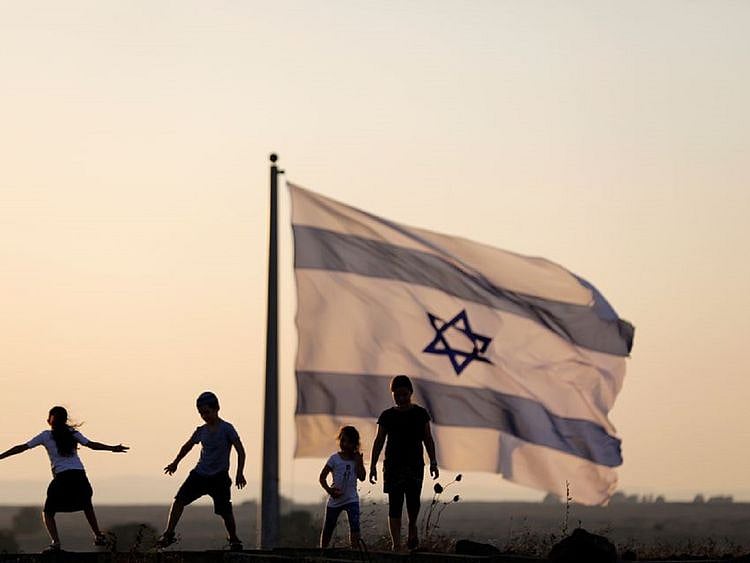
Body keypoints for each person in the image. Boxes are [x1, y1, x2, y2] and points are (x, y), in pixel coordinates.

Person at [0, 406, 129, 553]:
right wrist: (112, 448)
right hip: (79, 475)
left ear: (49, 420)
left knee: (48, 512)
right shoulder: (72, 433)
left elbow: (21, 448)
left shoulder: (45, 435)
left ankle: (56, 543)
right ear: (65, 420)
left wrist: (1, 456)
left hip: (63, 478)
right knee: (86, 505)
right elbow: (92, 445)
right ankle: (98, 535)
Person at [157, 391, 246, 551]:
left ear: (216, 409)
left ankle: (233, 538)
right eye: (201, 413)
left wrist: (239, 472)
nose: (204, 416)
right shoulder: (201, 431)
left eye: (207, 412)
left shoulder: (227, 429)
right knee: (179, 500)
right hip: (200, 475)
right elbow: (188, 446)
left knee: (225, 510)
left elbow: (240, 451)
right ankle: (169, 533)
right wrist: (175, 462)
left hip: (219, 477)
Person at [369, 375, 438, 551]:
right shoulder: (387, 416)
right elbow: (379, 441)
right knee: (395, 503)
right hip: (393, 466)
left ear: (410, 393)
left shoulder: (420, 414)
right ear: (392, 394)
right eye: (396, 395)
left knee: (413, 501)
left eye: (404, 394)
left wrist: (433, 462)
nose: (400, 398)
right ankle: (396, 544)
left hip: (415, 465)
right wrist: (372, 467)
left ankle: (412, 527)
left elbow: (428, 439)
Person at [318, 426, 366, 549]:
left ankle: (354, 550)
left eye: (349, 442)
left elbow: (362, 477)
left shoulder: (356, 459)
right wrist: (330, 490)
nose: (345, 444)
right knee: (329, 526)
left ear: (355, 444)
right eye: (342, 440)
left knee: (354, 526)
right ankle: (323, 550)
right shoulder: (334, 459)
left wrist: (359, 462)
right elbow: (322, 478)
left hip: (351, 499)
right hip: (335, 500)